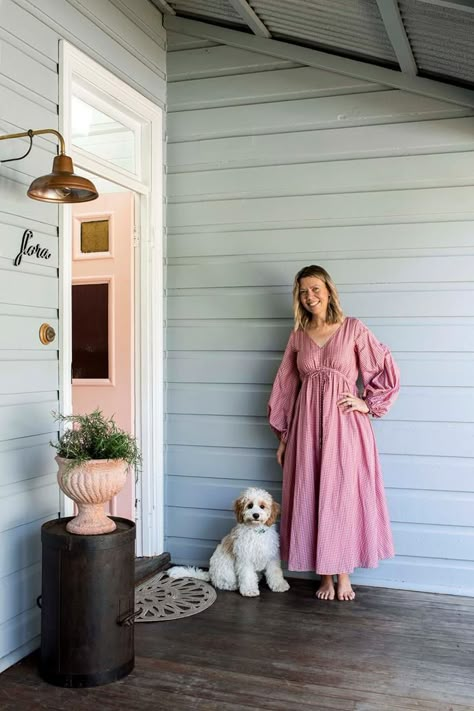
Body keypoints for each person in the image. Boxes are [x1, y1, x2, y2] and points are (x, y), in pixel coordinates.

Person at [267, 265, 400, 601]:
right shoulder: (298, 336)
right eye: (303, 291)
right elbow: (285, 386)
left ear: (328, 289)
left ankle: (344, 574)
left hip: (346, 427)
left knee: (342, 496)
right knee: (312, 493)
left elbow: (384, 368)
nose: (309, 296)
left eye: (315, 289)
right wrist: (283, 438)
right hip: (307, 428)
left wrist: (367, 405)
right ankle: (324, 575)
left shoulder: (352, 328)